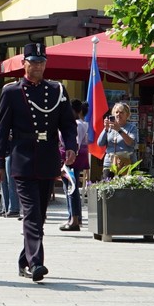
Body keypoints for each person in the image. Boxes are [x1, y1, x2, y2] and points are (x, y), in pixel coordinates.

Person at [0, 42, 78, 283]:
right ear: (24, 63)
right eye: (33, 62)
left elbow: (68, 123)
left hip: (48, 156)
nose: (38, 66)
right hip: (22, 157)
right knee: (30, 212)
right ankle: (36, 263)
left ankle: (24, 260)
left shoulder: (57, 90)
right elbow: (3, 129)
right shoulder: (12, 92)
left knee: (39, 215)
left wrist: (71, 146)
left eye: (42, 62)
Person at [62, 99, 91, 232]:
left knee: (71, 188)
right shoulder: (82, 124)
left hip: (71, 158)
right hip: (75, 158)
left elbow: (75, 143)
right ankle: (74, 217)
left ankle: (74, 218)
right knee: (69, 187)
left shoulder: (77, 125)